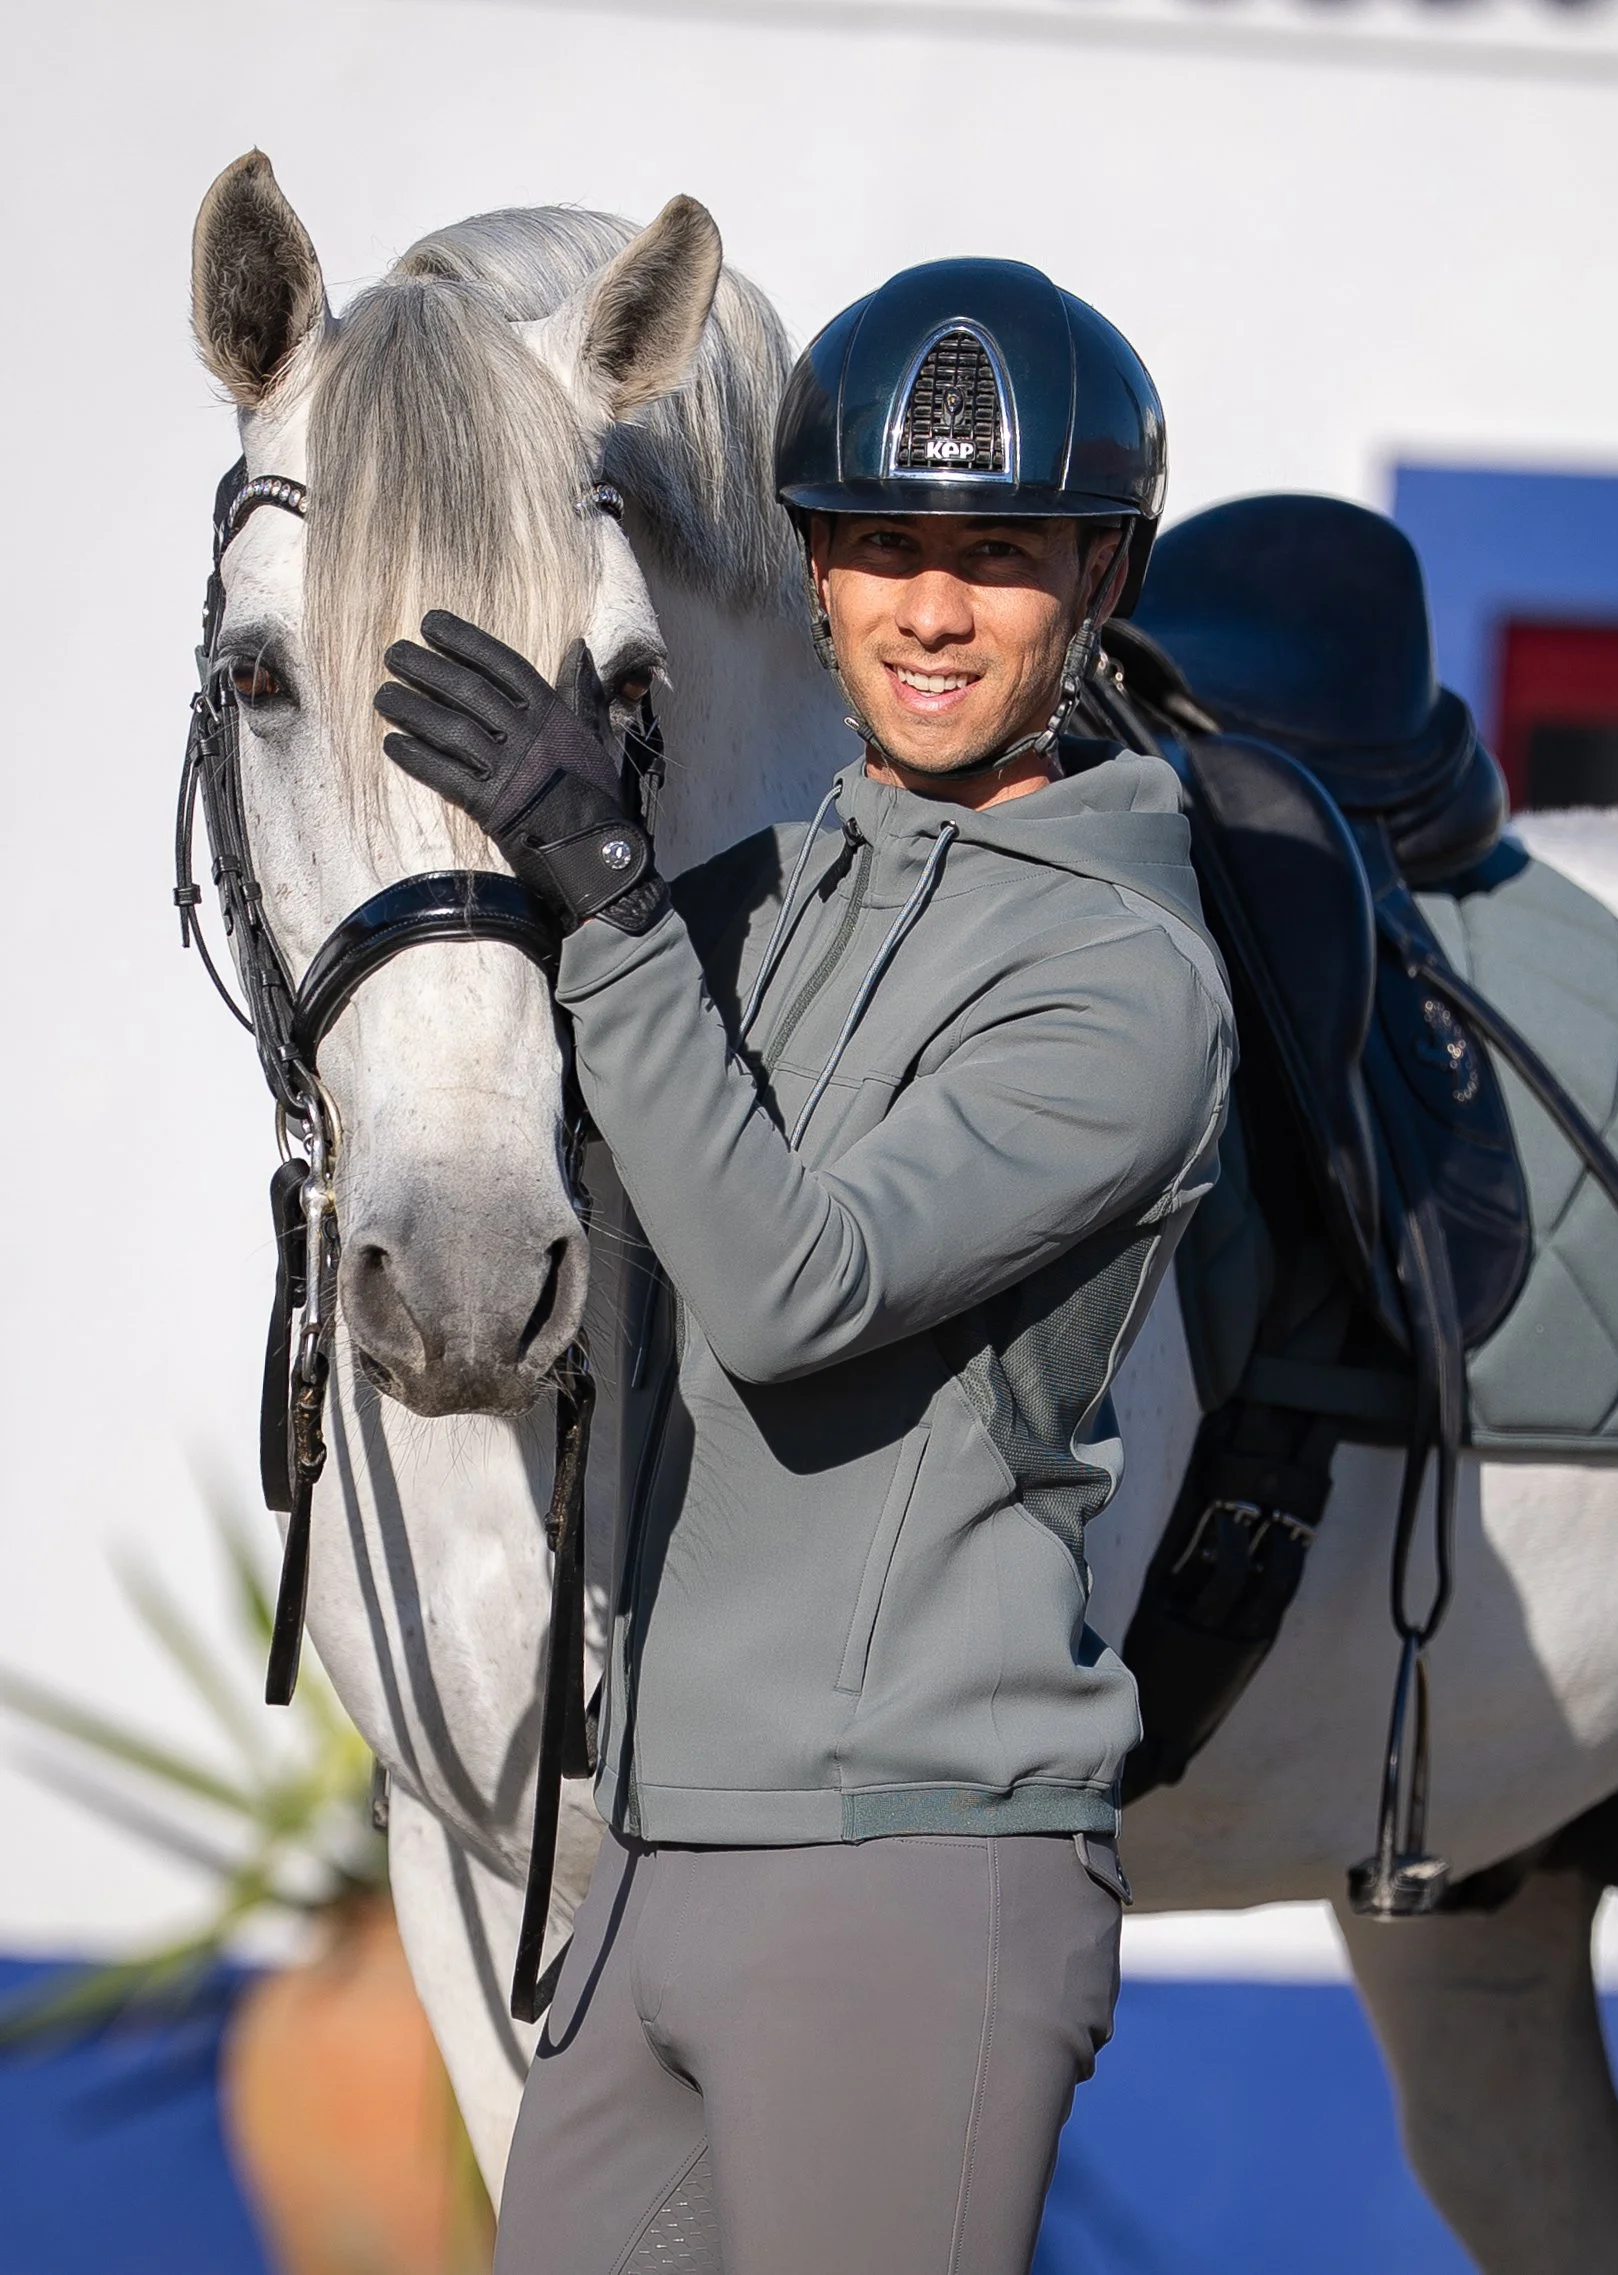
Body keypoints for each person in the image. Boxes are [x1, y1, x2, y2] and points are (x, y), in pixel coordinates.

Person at [374, 257, 1233, 2275]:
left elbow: (793, 1291)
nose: (932, 611)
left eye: (999, 556)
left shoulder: (1122, 980)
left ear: (1099, 579)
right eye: (884, 550)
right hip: (664, 1860)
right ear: (816, 572)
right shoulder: (751, 904)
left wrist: (602, 900)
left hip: (914, 1867)